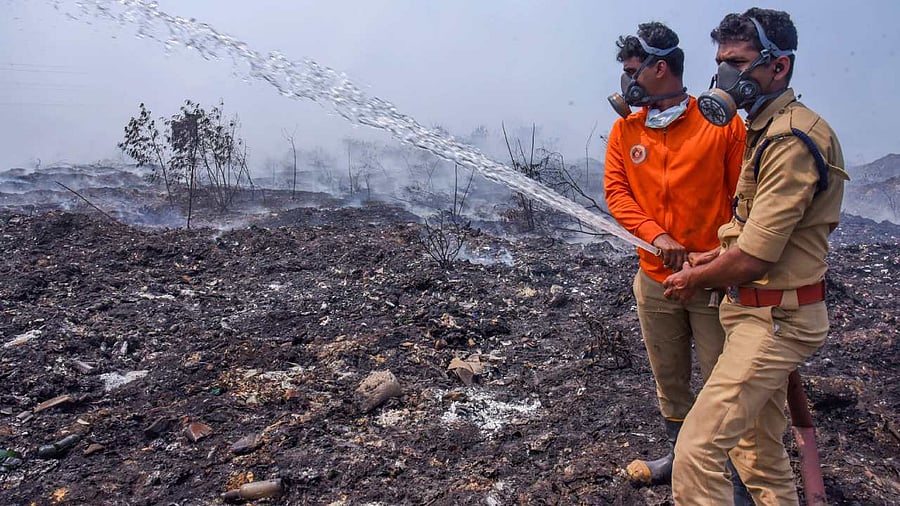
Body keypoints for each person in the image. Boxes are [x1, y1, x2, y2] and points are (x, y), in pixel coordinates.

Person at [663, 8, 848, 504]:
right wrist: (709, 258)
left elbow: (755, 258)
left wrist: (694, 280)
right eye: (721, 61)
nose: (725, 75)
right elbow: (749, 235)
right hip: (755, 311)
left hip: (776, 319)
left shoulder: (790, 139)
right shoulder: (764, 127)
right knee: (757, 454)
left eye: (739, 62)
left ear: (779, 66)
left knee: (697, 452)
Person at [602, 21, 745, 488]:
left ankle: (736, 476)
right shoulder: (626, 129)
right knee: (670, 376)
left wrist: (720, 258)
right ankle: (681, 458)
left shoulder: (722, 126)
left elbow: (745, 196)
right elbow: (617, 192)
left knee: (725, 380)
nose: (627, 81)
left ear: (659, 67)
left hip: (712, 278)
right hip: (654, 278)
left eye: (631, 70)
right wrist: (656, 236)